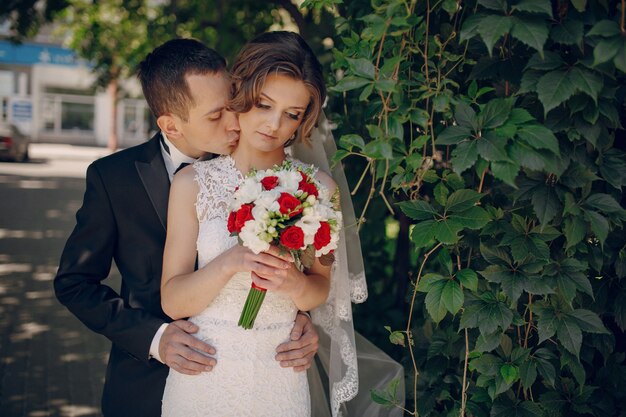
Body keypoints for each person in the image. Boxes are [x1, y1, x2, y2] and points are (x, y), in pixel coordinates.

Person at [53, 38, 319, 417]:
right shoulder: (114, 179)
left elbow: (304, 270)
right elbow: (74, 284)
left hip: (258, 379)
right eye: (216, 116)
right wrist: (154, 339)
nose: (234, 121)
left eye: (233, 103)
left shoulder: (272, 169)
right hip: (148, 383)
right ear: (171, 125)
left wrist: (300, 320)